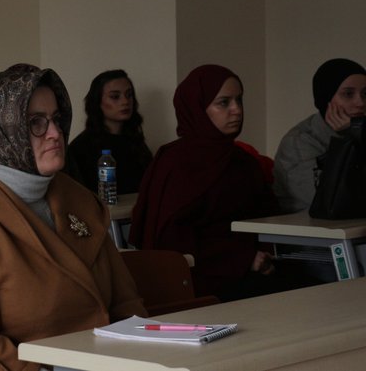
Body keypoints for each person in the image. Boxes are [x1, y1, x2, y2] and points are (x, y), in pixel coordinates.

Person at [0, 64, 146, 370]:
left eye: (56, 119)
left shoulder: (79, 199)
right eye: (35, 122)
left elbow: (126, 306)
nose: (55, 133)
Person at [129, 64, 282, 301]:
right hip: (197, 278)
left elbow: (268, 216)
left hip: (253, 268)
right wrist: (243, 259)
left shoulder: (242, 161)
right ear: (197, 108)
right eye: (224, 103)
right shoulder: (176, 162)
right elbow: (171, 241)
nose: (237, 110)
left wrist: (264, 253)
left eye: (239, 100)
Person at [273, 58, 366, 213]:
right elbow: (325, 201)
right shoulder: (300, 141)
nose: (360, 103)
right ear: (326, 98)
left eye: (365, 94)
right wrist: (352, 136)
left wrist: (359, 134)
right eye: (348, 94)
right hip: (304, 225)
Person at [66, 69, 152, 195]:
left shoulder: (136, 141)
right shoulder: (81, 148)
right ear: (97, 102)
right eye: (115, 97)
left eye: (129, 95)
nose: (125, 102)